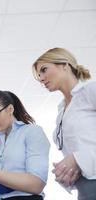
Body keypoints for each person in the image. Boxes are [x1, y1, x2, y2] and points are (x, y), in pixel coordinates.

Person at [32, 47, 96, 200]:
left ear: (65, 65)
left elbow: (80, 155)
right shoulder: (61, 110)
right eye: (39, 75)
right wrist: (66, 172)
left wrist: (77, 159)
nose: (41, 78)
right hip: (84, 188)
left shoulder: (90, 90)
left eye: (44, 70)